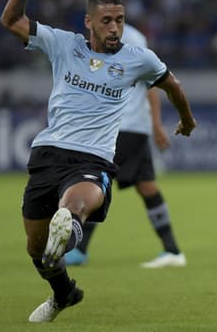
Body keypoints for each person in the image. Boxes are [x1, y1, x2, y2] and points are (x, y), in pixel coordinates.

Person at [0, 0, 196, 323]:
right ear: (89, 21)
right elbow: (10, 20)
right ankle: (64, 293)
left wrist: (187, 120)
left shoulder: (139, 58)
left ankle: (72, 225)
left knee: (73, 207)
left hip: (93, 158)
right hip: (48, 152)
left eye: (119, 20)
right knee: (37, 248)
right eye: (106, 21)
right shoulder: (63, 44)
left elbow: (173, 86)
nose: (115, 28)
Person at [64, 24, 186, 269]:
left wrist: (156, 125)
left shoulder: (132, 38)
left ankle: (78, 249)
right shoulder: (94, 39)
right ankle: (172, 250)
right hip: (126, 126)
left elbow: (153, 81)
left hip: (124, 125)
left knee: (95, 181)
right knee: (145, 185)